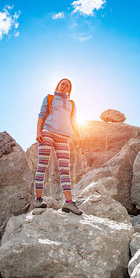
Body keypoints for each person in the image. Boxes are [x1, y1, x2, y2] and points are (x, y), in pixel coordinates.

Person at [33, 78, 83, 215]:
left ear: (69, 90)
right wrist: (38, 132)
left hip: (63, 137)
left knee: (65, 170)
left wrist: (78, 137)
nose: (64, 86)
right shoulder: (50, 98)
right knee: (42, 166)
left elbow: (74, 121)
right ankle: (38, 199)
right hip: (47, 132)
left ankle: (69, 203)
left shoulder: (71, 103)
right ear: (58, 85)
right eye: (62, 84)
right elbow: (41, 115)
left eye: (67, 86)